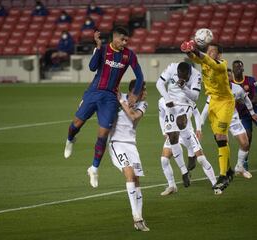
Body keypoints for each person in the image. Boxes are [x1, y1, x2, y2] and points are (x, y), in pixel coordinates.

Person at [64, 27, 144, 188]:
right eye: (123, 40)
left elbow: (140, 76)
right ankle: (70, 139)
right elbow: (92, 67)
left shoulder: (129, 55)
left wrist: (135, 94)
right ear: (114, 38)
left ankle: (94, 168)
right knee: (76, 125)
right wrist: (98, 47)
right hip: (94, 92)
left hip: (110, 98)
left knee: (104, 133)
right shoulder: (104, 49)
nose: (125, 43)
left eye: (127, 40)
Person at [156, 62, 219, 194]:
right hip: (174, 125)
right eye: (178, 76)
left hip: (187, 124)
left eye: (183, 77)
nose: (180, 78)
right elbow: (161, 113)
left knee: (199, 159)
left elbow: (195, 102)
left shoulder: (195, 81)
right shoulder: (162, 101)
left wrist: (199, 129)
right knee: (164, 159)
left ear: (189, 74)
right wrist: (164, 130)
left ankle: (215, 184)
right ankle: (172, 185)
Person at [181, 40, 235, 193]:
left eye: (213, 51)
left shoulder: (221, 65)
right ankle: (229, 170)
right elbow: (194, 57)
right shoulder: (204, 61)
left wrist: (196, 50)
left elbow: (203, 58)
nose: (210, 53)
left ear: (219, 54)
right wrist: (186, 49)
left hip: (225, 102)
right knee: (219, 138)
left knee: (221, 136)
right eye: (209, 50)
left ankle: (223, 175)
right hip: (212, 103)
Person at [201, 69, 257, 179]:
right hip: (220, 121)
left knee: (245, 144)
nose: (227, 77)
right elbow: (206, 108)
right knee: (224, 146)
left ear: (231, 78)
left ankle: (239, 167)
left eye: (229, 76)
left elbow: (246, 99)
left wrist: (252, 113)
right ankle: (227, 171)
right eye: (225, 75)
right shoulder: (215, 89)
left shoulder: (237, 88)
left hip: (233, 118)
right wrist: (199, 126)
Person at [108, 80, 149, 232]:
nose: (146, 93)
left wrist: (121, 101)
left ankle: (139, 217)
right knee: (130, 175)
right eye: (144, 91)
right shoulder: (118, 97)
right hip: (116, 143)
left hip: (131, 145)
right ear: (135, 91)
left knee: (137, 179)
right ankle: (136, 217)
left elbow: (133, 117)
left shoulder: (143, 105)